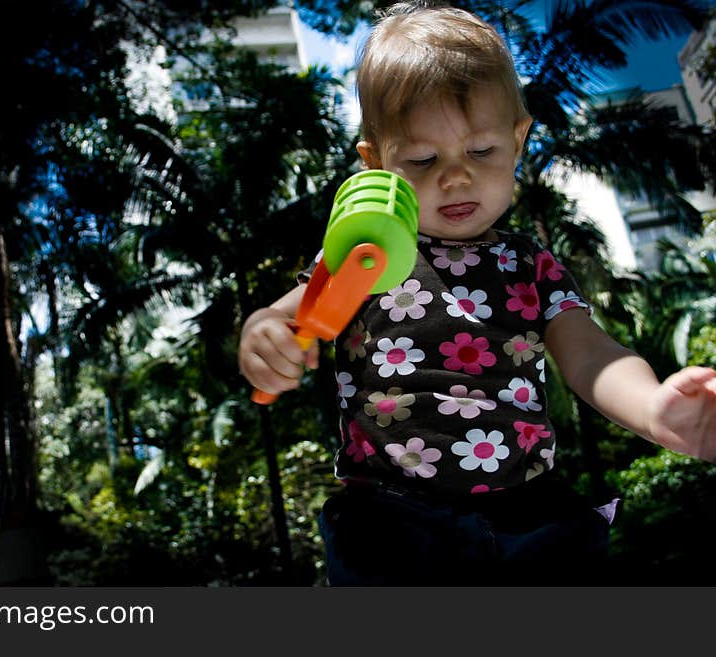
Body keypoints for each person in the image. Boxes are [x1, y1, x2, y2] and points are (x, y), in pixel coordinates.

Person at [237, 2, 716, 585]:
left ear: (518, 142)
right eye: (423, 158)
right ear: (376, 162)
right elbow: (295, 315)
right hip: (391, 520)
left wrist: (653, 410)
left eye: (482, 151)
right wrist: (266, 331)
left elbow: (592, 356)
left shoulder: (531, 265)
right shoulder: (367, 250)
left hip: (530, 515)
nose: (456, 176)